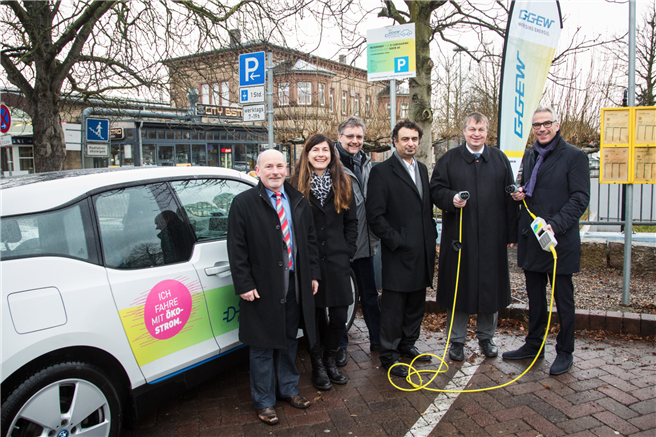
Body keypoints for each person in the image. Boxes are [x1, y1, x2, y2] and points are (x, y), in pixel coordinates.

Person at [227, 149, 321, 425]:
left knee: (289, 339)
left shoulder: (298, 200)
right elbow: (236, 247)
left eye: (280, 166)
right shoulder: (243, 203)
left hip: (294, 284)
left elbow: (310, 241)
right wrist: (244, 283)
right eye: (268, 166)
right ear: (257, 171)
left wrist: (313, 274)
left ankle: (288, 389)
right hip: (261, 287)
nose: (275, 171)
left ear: (287, 170)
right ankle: (264, 402)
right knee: (261, 346)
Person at [502, 106, 590, 376]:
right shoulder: (531, 155)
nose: (542, 129)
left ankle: (565, 351)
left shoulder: (574, 156)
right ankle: (534, 345)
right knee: (535, 299)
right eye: (537, 125)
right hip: (533, 239)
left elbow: (580, 198)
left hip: (558, 241)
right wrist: (521, 195)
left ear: (557, 125)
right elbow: (533, 191)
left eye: (546, 123)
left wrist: (556, 224)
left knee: (563, 300)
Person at [429, 112, 518, 361]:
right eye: (472, 129)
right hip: (460, 238)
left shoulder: (499, 159)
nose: (476, 134)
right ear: (464, 131)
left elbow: (510, 196)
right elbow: (435, 190)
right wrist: (451, 198)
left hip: (492, 237)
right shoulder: (448, 159)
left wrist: (511, 231)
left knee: (490, 288)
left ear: (487, 132)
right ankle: (456, 340)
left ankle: (486, 337)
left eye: (480, 129)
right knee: (459, 288)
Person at [366, 119, 438, 377]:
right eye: (405, 139)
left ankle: (407, 345)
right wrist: (397, 241)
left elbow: (425, 208)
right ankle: (389, 354)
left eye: (414, 139)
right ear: (394, 141)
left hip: (423, 251)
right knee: (394, 307)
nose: (410, 143)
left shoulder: (422, 169)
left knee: (416, 303)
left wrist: (431, 236)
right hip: (399, 253)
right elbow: (375, 216)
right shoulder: (382, 172)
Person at [291, 134, 358, 391]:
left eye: (325, 150)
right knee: (316, 316)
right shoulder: (294, 185)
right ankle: (318, 365)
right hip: (309, 262)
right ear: (307, 154)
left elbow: (352, 222)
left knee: (339, 315)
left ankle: (331, 359)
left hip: (337, 260)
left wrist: (347, 250)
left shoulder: (343, 183)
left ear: (332, 154)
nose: (321, 154)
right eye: (315, 150)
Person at [334, 116, 382, 366]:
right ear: (339, 136)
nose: (355, 141)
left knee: (370, 295)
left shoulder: (367, 164)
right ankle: (340, 345)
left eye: (359, 137)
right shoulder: (329, 163)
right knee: (341, 299)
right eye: (350, 136)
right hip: (340, 245)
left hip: (364, 243)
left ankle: (378, 340)